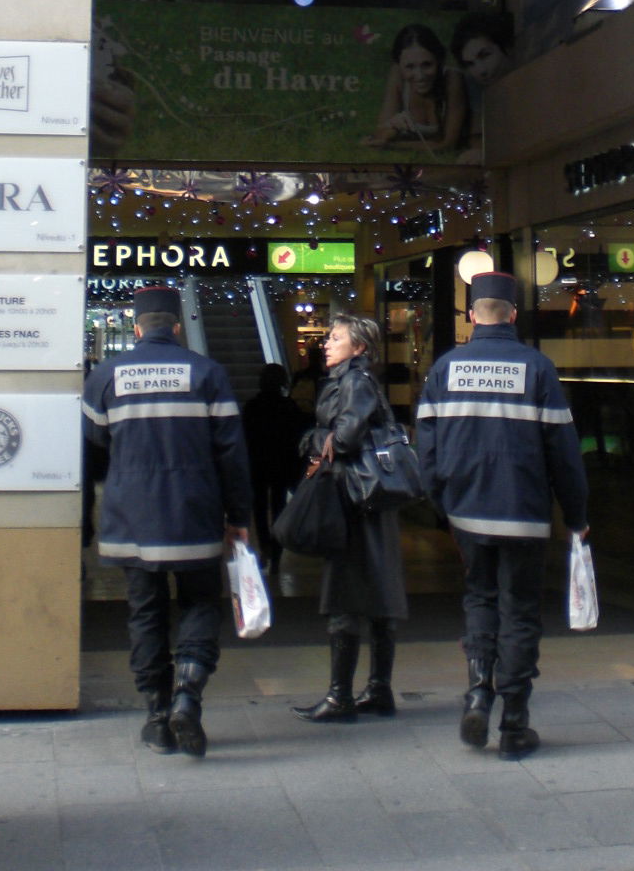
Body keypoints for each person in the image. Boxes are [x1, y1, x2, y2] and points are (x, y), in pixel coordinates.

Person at [416, 271, 588, 759]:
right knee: (520, 610)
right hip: (524, 514)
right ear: (513, 314)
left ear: (471, 316)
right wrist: (576, 514)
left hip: (468, 512)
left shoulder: (445, 369)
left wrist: (441, 505)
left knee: (480, 600)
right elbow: (564, 454)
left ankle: (476, 693)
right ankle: (514, 721)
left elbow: (425, 450)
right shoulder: (538, 369)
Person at [82, 284, 252, 759]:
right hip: (194, 514)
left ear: (136, 327)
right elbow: (232, 455)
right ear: (177, 327)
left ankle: (157, 717)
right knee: (200, 604)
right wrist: (238, 516)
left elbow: (93, 446)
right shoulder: (208, 374)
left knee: (145, 613)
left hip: (131, 516)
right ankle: (187, 695)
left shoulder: (106, 377)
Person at [292, 315, 408, 723]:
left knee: (345, 593)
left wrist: (311, 439)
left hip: (354, 500)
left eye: (336, 338)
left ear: (359, 348)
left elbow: (343, 439)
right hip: (369, 501)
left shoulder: (354, 382)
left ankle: (340, 696)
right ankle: (378, 689)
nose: (327, 344)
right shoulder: (356, 380)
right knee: (379, 593)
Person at [242, 362, 306, 573]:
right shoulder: (289, 407)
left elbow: (244, 437)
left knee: (259, 509)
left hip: (257, 465)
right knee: (278, 507)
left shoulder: (252, 407)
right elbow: (298, 436)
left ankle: (264, 547)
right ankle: (277, 553)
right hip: (281, 465)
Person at [366, 22, 467, 150]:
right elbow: (380, 133)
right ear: (400, 65)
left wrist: (393, 146)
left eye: (427, 65)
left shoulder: (452, 79)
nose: (420, 76)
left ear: (439, 60)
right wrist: (392, 128)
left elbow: (448, 144)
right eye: (409, 67)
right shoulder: (397, 75)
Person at [450, 11, 514, 164]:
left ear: (507, 46)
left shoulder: (534, 77)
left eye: (485, 55)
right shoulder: (475, 84)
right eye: (470, 64)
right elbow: (477, 137)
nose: (481, 70)